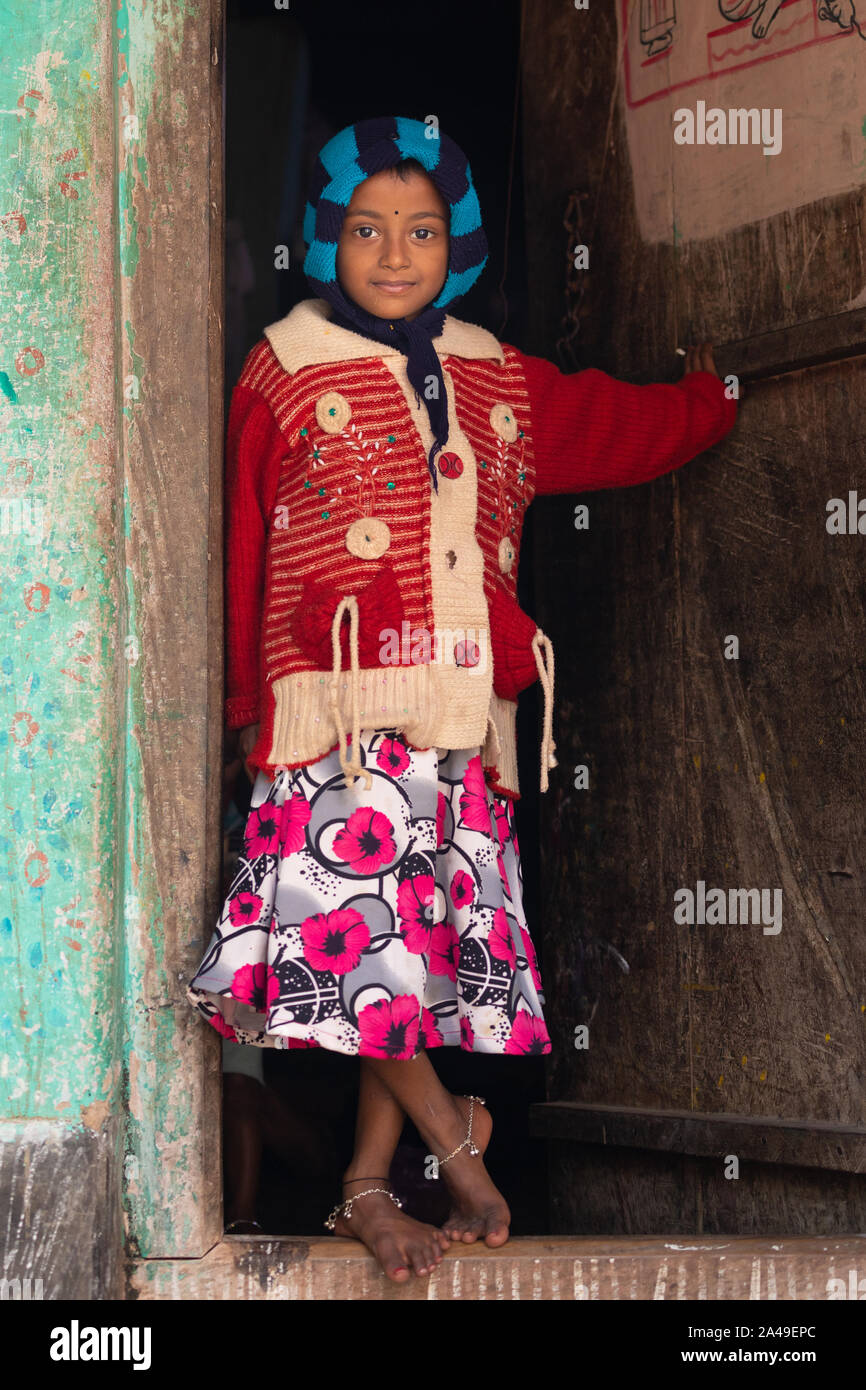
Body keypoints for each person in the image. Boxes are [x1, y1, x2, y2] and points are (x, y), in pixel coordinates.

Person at [186, 115, 738, 1283]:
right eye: (367, 230)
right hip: (331, 725)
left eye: (422, 230)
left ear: (459, 242)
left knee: (415, 957)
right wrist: (247, 707)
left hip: (458, 727)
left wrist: (715, 402)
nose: (394, 253)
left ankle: (363, 1188)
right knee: (355, 953)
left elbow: (618, 424)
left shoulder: (498, 376)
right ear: (325, 240)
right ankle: (455, 1138)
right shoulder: (279, 369)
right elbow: (240, 543)